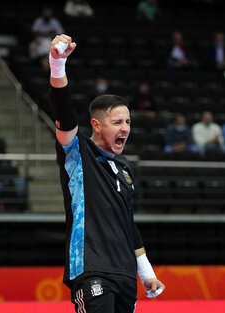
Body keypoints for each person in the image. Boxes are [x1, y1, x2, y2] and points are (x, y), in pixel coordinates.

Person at [48, 34, 165, 313]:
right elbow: (64, 114)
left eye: (128, 121)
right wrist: (57, 64)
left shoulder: (124, 168)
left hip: (125, 273)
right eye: (117, 122)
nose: (125, 127)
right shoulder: (78, 153)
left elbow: (128, 223)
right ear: (97, 126)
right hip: (91, 269)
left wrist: (146, 273)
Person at [30, 7, 64, 71]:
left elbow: (60, 33)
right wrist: (43, 34)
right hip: (39, 40)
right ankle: (40, 62)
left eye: (48, 13)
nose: (47, 15)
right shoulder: (39, 21)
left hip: (52, 40)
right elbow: (34, 32)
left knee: (47, 43)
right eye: (46, 13)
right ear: (43, 14)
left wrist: (49, 33)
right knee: (34, 46)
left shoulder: (54, 22)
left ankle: (46, 65)